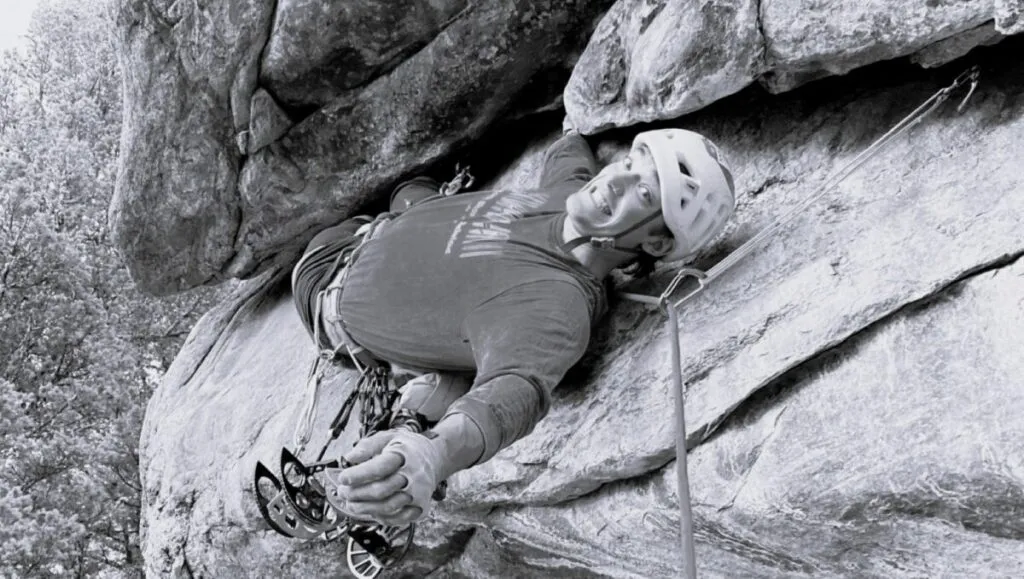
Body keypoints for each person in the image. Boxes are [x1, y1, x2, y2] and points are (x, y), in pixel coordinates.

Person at [295, 122, 737, 528]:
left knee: (403, 200)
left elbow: (515, 392)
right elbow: (571, 145)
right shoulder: (570, 191)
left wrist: (434, 454)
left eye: (641, 194)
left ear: (656, 242)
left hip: (322, 283)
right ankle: (431, 385)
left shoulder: (555, 307)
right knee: (411, 191)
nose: (613, 181)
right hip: (385, 224)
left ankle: (424, 405)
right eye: (626, 164)